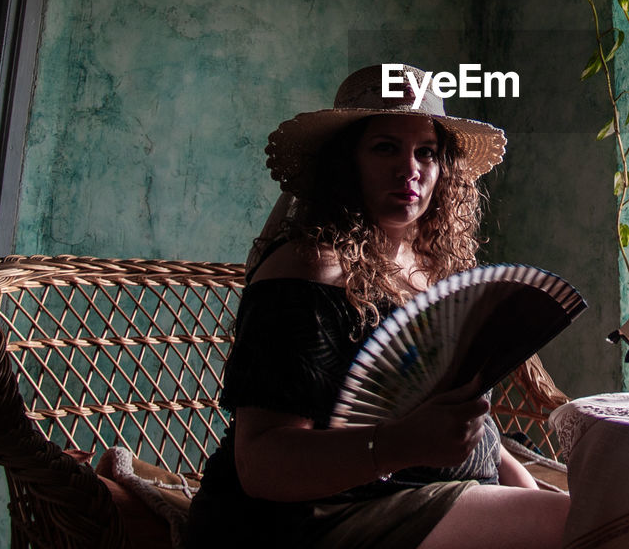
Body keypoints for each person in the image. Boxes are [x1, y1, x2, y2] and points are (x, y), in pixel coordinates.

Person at [186, 64, 570, 549]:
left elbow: (463, 412)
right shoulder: (308, 271)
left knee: (597, 509)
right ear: (347, 162)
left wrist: (518, 479)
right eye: (386, 147)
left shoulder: (433, 267)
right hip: (309, 518)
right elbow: (261, 464)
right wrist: (404, 443)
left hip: (425, 489)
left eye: (426, 152)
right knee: (575, 522)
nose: (409, 169)